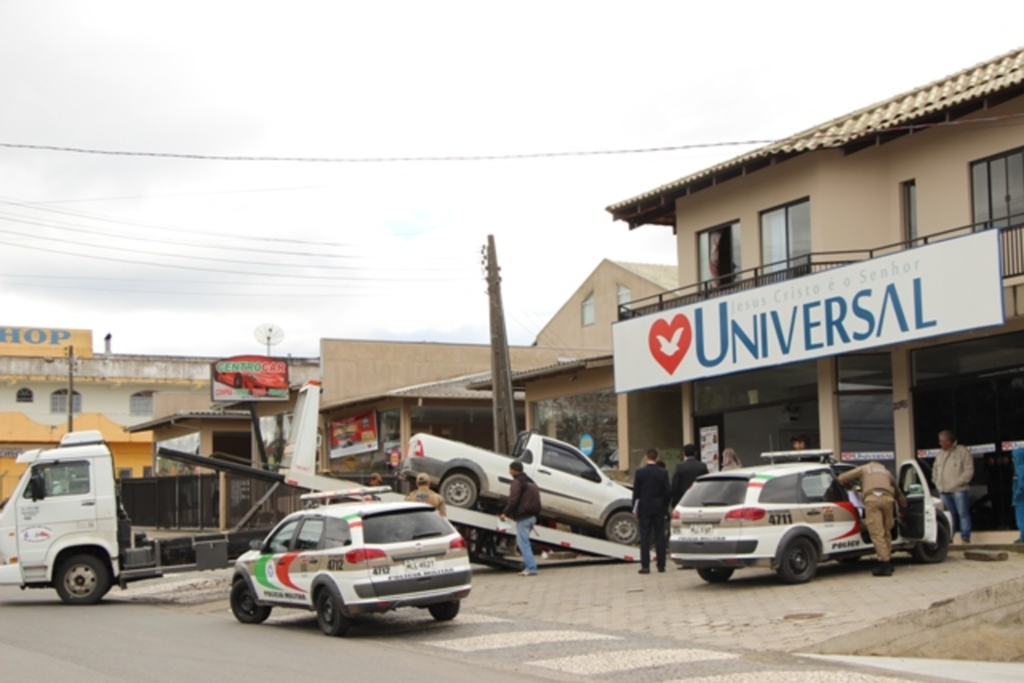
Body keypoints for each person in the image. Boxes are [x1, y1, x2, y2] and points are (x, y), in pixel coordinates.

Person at [838, 461, 908, 576]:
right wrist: (903, 508)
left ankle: (884, 565)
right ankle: (888, 561)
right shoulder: (886, 472)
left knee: (877, 532)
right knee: (886, 531)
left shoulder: (864, 469)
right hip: (888, 500)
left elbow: (841, 478)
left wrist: (850, 487)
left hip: (872, 500)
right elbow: (898, 492)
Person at [499, 460, 541, 576]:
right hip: (532, 516)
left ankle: (531, 568)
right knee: (525, 542)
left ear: (514, 470)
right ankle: (531, 566)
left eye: (510, 469)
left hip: (524, 517)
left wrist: (505, 513)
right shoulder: (530, 481)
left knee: (523, 543)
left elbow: (513, 500)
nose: (509, 471)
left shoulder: (517, 482)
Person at [632, 448, 671, 574]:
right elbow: (667, 492)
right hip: (659, 507)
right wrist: (664, 506)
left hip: (644, 507)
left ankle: (645, 566)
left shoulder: (639, 473)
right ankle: (661, 565)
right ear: (657, 457)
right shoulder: (663, 473)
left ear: (646, 457)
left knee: (645, 537)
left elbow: (636, 493)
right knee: (660, 536)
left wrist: (635, 508)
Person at [933, 429, 973, 544]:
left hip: (959, 490)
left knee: (963, 513)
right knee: (948, 516)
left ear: (949, 441)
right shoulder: (940, 453)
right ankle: (949, 538)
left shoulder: (962, 451)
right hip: (943, 490)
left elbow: (968, 471)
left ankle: (965, 537)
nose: (939, 443)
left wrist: (957, 483)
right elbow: (935, 470)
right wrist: (937, 483)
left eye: (941, 441)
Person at [671, 443, 708, 509]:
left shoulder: (680, 467)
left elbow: (675, 485)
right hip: (699, 498)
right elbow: (706, 483)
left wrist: (675, 500)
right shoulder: (702, 466)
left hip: (684, 499)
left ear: (684, 453)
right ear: (696, 453)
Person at [1013, 447, 1024, 544]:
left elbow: (1021, 484)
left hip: (1021, 499)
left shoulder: (1020, 468)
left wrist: (1017, 495)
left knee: (1021, 520)